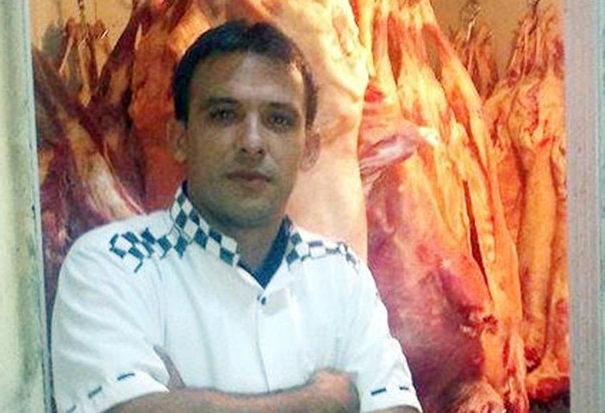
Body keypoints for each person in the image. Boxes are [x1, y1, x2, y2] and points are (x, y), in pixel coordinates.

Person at [51, 20, 422, 413]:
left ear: (309, 148)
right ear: (179, 138)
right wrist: (319, 401)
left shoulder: (340, 272)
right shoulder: (112, 262)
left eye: (279, 120)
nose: (252, 143)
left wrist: (187, 403)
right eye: (225, 114)